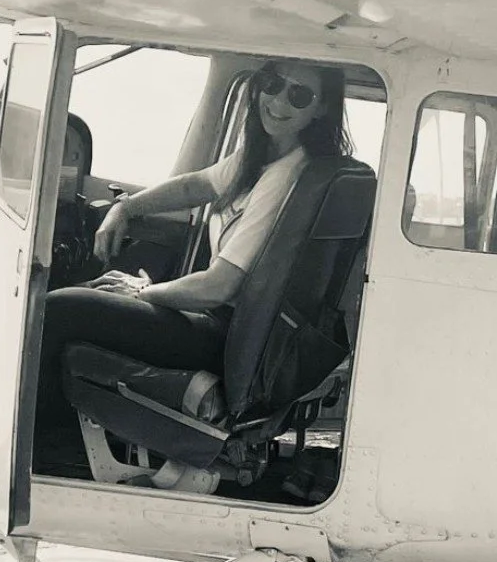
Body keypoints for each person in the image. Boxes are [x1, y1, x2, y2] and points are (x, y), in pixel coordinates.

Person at [34, 59, 352, 459]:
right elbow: (197, 184)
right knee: (80, 296)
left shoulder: (286, 178)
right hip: (219, 322)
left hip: (224, 336)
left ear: (321, 108)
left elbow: (218, 286)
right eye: (272, 84)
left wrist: (144, 292)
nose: (278, 100)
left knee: (58, 310)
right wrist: (127, 208)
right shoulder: (262, 157)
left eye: (299, 94)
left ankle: (47, 451)